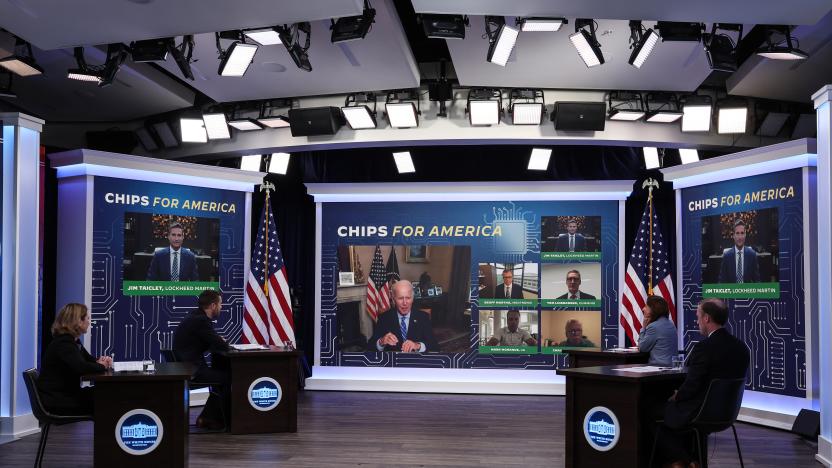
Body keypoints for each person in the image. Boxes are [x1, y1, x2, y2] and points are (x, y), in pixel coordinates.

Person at [658, 299, 750, 467]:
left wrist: (678, 395)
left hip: (700, 412)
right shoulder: (742, 348)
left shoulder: (704, 348)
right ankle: (692, 460)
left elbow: (692, 385)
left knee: (653, 414)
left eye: (698, 316)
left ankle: (686, 460)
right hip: (727, 414)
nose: (697, 321)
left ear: (707, 318)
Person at [37, 303, 112, 415]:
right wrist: (102, 365)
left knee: (104, 394)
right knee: (106, 397)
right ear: (78, 322)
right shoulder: (64, 343)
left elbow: (88, 360)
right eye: (87, 318)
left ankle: (107, 431)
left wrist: (101, 361)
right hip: (58, 400)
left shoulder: (72, 341)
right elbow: (81, 367)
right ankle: (107, 431)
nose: (88, 322)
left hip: (65, 395)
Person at [173, 289, 230, 429]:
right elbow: (222, 345)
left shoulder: (194, 316)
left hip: (187, 368)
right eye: (220, 304)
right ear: (213, 306)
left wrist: (216, 340)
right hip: (194, 371)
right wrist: (219, 340)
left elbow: (202, 342)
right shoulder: (201, 320)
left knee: (222, 374)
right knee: (229, 377)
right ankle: (214, 419)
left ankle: (208, 418)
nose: (221, 307)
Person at [368, 280, 439, 352]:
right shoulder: (384, 318)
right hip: (393, 362)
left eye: (408, 298)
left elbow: (435, 347)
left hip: (416, 361)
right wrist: (381, 342)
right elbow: (370, 347)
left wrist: (417, 345)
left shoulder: (423, 317)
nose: (405, 303)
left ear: (412, 299)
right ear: (393, 299)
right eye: (400, 298)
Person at [638, 295, 678, 366]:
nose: (643, 309)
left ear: (654, 309)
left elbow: (642, 348)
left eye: (646, 306)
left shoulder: (653, 327)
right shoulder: (671, 324)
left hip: (658, 369)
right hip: (672, 367)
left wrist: (643, 327)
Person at [717, 219, 760, 283]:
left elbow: (757, 281)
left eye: (742, 233)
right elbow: (722, 281)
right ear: (733, 236)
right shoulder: (727, 256)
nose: (740, 237)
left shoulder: (752, 255)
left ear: (745, 235)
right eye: (737, 233)